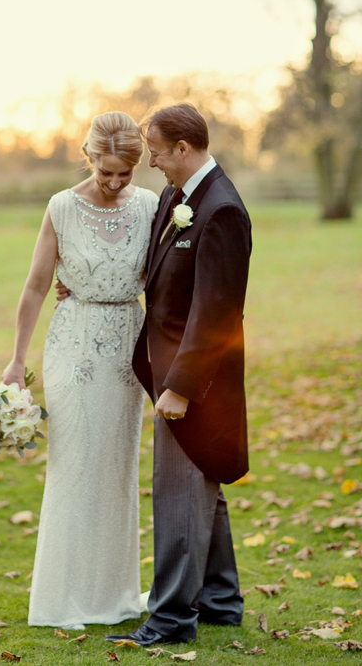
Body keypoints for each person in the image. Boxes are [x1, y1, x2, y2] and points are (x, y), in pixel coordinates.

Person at [1, 111, 158, 630]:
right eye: (105, 171)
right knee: (73, 466)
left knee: (116, 469)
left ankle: (111, 592)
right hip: (72, 346)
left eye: (125, 174)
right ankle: (62, 597)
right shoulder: (62, 207)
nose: (114, 183)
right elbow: (35, 287)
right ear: (87, 157)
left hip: (127, 355)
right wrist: (17, 359)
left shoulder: (152, 207)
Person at [105, 103, 252, 647]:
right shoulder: (176, 197)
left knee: (179, 496)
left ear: (184, 150)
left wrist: (181, 388)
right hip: (166, 368)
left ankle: (169, 621)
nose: (153, 163)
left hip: (195, 383)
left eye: (158, 152)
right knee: (202, 488)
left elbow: (217, 313)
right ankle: (220, 600)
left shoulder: (221, 211)